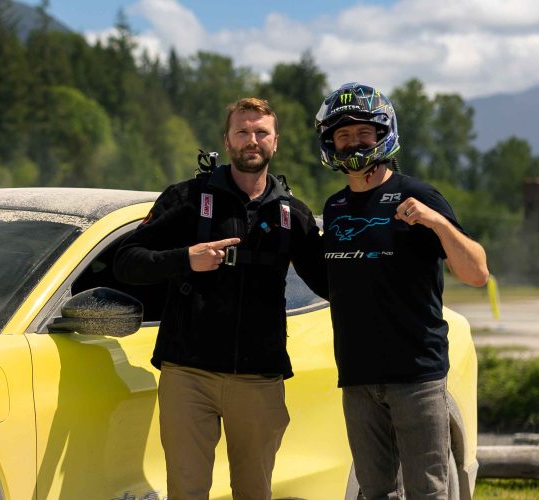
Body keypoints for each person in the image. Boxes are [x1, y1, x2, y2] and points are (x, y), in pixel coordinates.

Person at [114, 97, 327, 500]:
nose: (252, 140)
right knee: (186, 492)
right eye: (242, 132)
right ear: (227, 142)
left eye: (261, 132)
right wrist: (185, 259)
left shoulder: (292, 214)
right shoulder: (187, 199)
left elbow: (332, 284)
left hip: (259, 379)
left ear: (275, 141)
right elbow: (126, 262)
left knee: (254, 492)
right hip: (188, 376)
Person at [313, 82, 489, 499]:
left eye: (363, 132)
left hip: (416, 375)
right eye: (343, 134)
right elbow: (330, 282)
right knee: (374, 492)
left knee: (428, 490)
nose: (354, 142)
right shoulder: (335, 208)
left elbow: (478, 272)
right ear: (330, 142)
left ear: (383, 133)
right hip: (357, 377)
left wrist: (437, 222)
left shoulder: (418, 195)